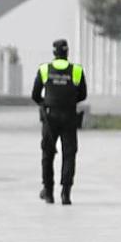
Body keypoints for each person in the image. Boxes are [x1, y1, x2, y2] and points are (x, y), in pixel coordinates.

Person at [31, 38, 86, 205]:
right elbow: (83, 95)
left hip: (50, 118)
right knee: (69, 154)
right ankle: (66, 193)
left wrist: (45, 103)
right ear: (67, 52)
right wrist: (69, 102)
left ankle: (48, 192)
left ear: (54, 53)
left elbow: (35, 95)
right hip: (69, 116)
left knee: (48, 154)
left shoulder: (44, 69)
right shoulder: (76, 70)